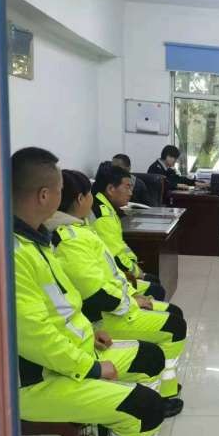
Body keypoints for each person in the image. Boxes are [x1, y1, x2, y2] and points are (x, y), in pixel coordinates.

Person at [12, 147, 164, 436]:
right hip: (37, 382)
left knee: (149, 358)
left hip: (72, 358)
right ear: (44, 195)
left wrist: (92, 335)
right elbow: (35, 337)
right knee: (145, 407)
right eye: (59, 189)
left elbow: (63, 307)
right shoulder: (14, 254)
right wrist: (93, 369)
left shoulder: (36, 241)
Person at [46, 169, 188, 416]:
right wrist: (132, 300)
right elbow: (97, 293)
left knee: (168, 307)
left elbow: (106, 272)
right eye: (89, 194)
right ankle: (161, 396)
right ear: (80, 199)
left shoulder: (79, 228)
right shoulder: (70, 238)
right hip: (106, 316)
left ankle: (161, 389)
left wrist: (131, 291)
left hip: (115, 304)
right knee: (173, 326)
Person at [90, 164, 166, 301]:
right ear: (111, 189)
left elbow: (120, 246)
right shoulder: (103, 216)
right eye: (127, 187)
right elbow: (115, 257)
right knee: (155, 287)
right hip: (110, 276)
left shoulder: (105, 207)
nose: (130, 193)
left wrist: (134, 265)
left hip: (114, 270)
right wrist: (138, 273)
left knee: (153, 280)